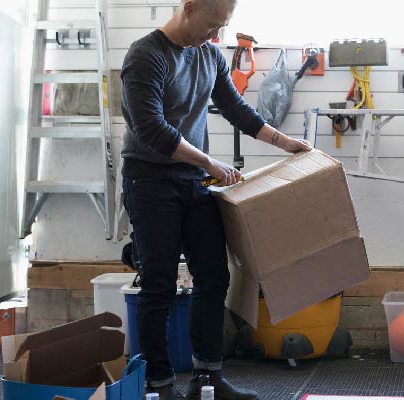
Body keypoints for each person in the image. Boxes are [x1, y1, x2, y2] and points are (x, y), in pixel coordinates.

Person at [120, 0, 311, 398]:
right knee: (158, 284)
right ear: (189, 8)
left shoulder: (209, 55)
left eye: (222, 28)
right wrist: (211, 161)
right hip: (150, 180)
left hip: (195, 181)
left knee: (213, 276)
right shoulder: (146, 56)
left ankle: (208, 379)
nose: (215, 37)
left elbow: (234, 107)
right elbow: (151, 129)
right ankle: (158, 384)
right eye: (211, 26)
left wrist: (284, 142)